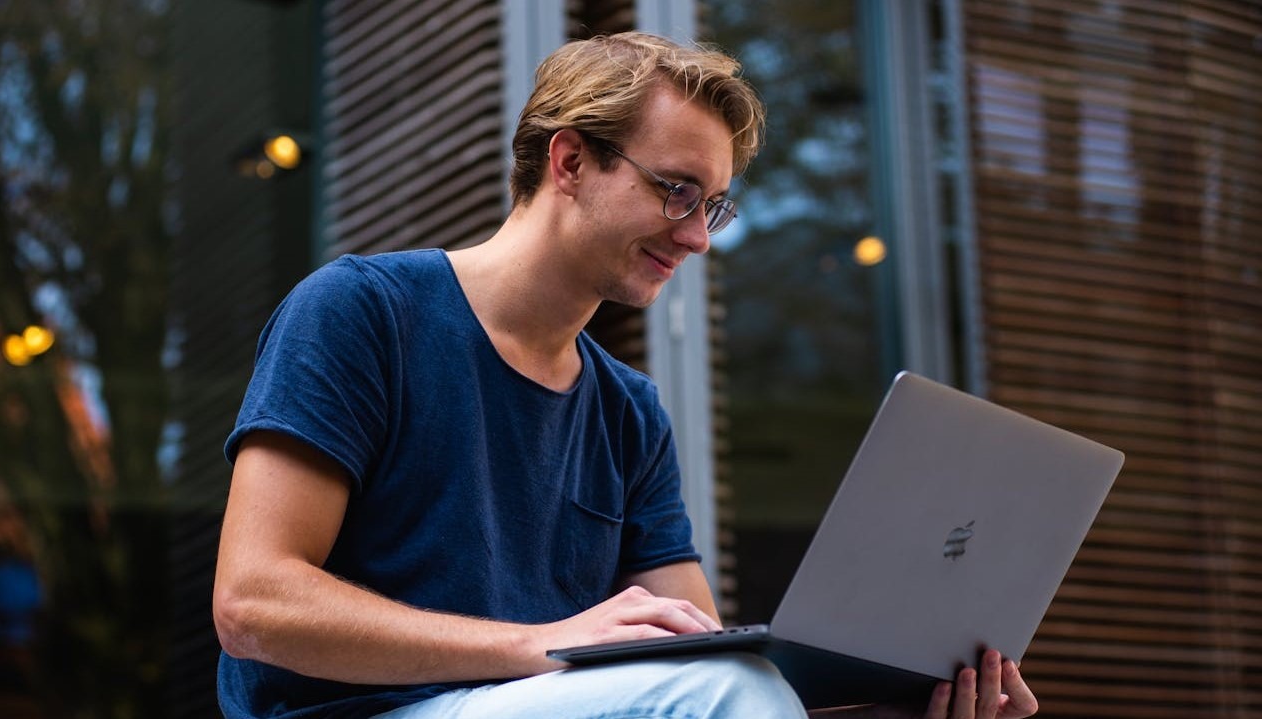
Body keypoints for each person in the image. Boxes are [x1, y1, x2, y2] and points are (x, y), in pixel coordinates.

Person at [212, 31, 1039, 719]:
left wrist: (900, 698)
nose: (697, 238)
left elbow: (700, 653)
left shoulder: (627, 409)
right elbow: (253, 605)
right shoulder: (363, 312)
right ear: (569, 160)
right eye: (676, 191)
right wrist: (534, 643)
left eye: (712, 205)